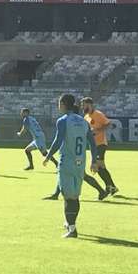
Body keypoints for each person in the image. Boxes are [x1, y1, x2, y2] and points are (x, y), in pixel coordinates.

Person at [43, 93, 100, 239]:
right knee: (75, 197)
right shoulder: (83, 121)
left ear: (62, 104)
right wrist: (94, 161)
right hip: (80, 163)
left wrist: (48, 156)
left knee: (68, 197)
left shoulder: (63, 121)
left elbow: (58, 141)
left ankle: (72, 229)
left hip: (67, 162)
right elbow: (92, 143)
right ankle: (70, 224)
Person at [82, 97, 119, 194]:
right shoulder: (86, 116)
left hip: (100, 144)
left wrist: (98, 130)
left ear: (90, 105)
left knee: (98, 165)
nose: (83, 107)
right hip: (93, 146)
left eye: (84, 104)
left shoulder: (98, 114)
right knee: (100, 167)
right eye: (82, 105)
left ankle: (110, 186)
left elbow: (109, 124)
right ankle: (111, 186)